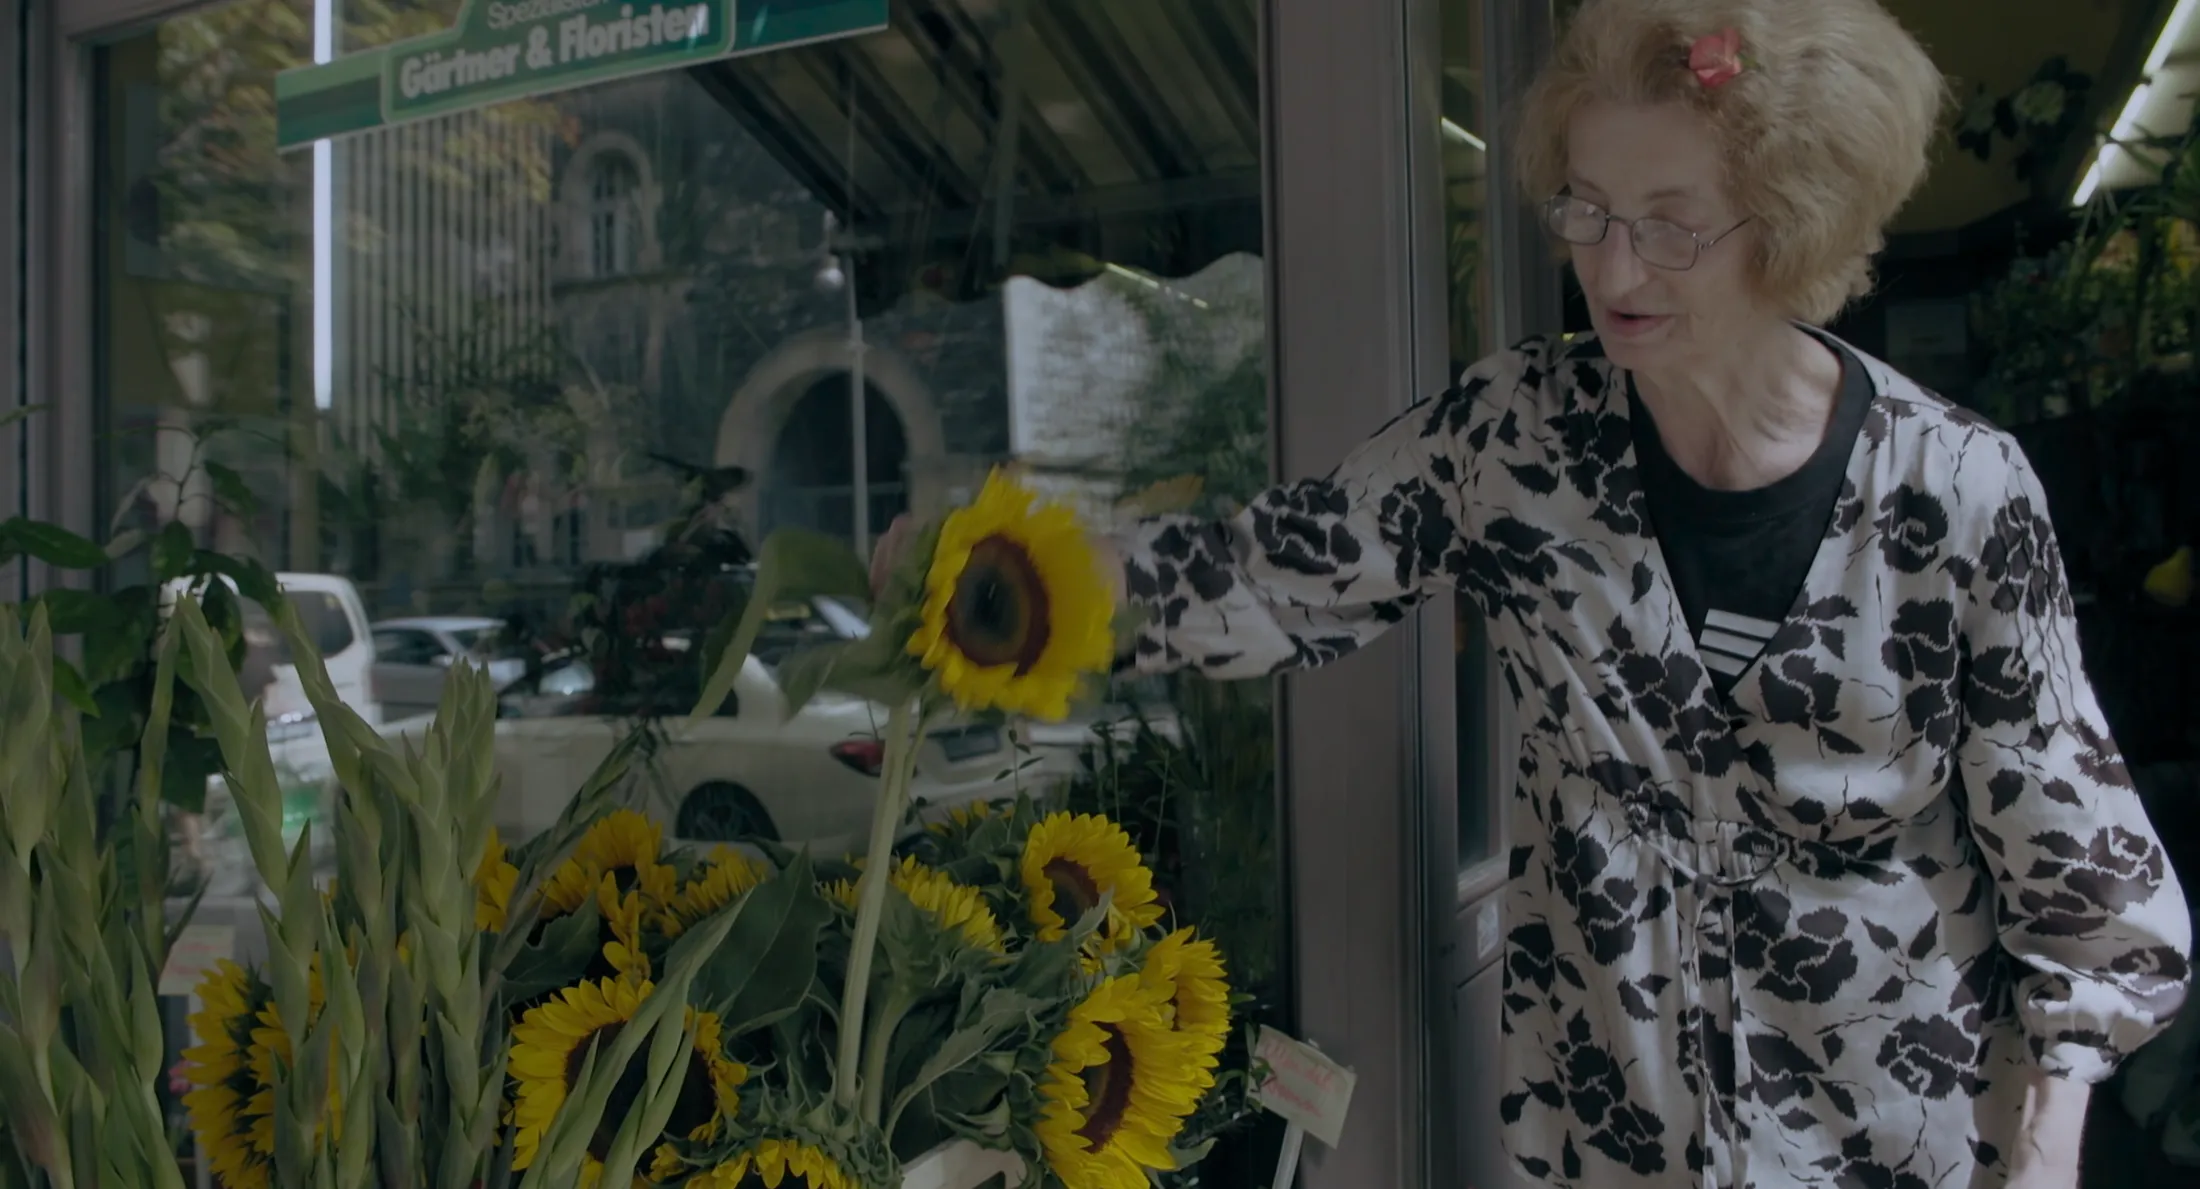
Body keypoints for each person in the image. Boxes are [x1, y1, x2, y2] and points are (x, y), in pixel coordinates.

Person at [878, 1, 2191, 1185]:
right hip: (1610, 1142)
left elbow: (2083, 874)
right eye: (1585, 210)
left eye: (1671, 226)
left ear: (1795, 222)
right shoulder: (1515, 442)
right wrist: (1002, 576)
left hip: (1902, 1150)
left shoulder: (1958, 492)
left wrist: (2044, 1143)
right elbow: (1267, 576)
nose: (1614, 271)